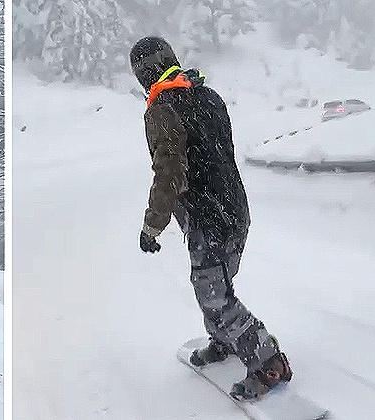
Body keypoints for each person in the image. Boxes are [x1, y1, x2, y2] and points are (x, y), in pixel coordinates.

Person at [130, 36, 292, 400]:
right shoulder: (207, 95)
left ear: (142, 74)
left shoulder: (162, 109)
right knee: (217, 284)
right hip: (236, 210)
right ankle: (223, 341)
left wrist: (151, 226)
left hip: (208, 218)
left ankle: (267, 359)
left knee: (213, 294)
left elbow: (170, 173)